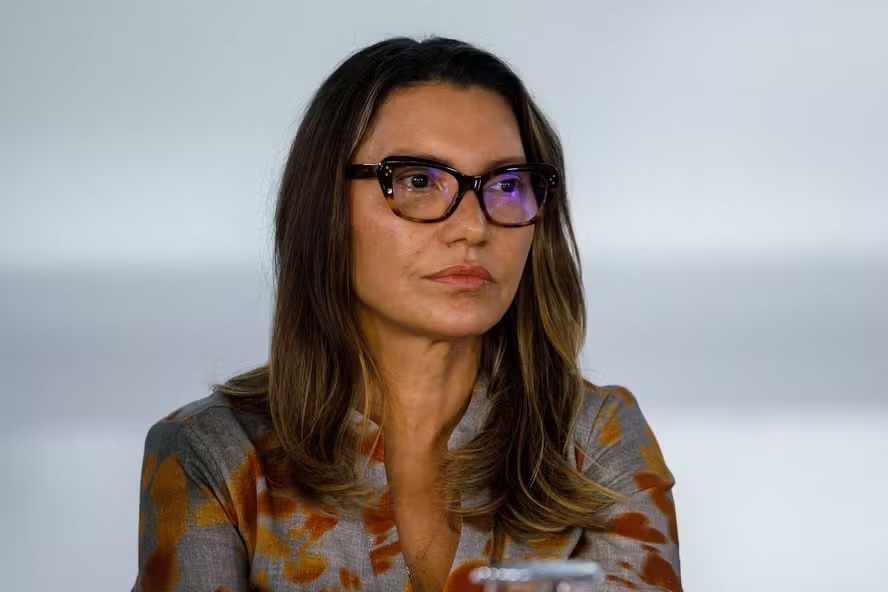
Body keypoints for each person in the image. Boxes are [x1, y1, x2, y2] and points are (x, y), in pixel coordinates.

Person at [133, 36, 681, 592]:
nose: (473, 227)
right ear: (325, 207)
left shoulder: (592, 440)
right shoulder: (218, 452)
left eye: (507, 184)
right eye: (418, 181)